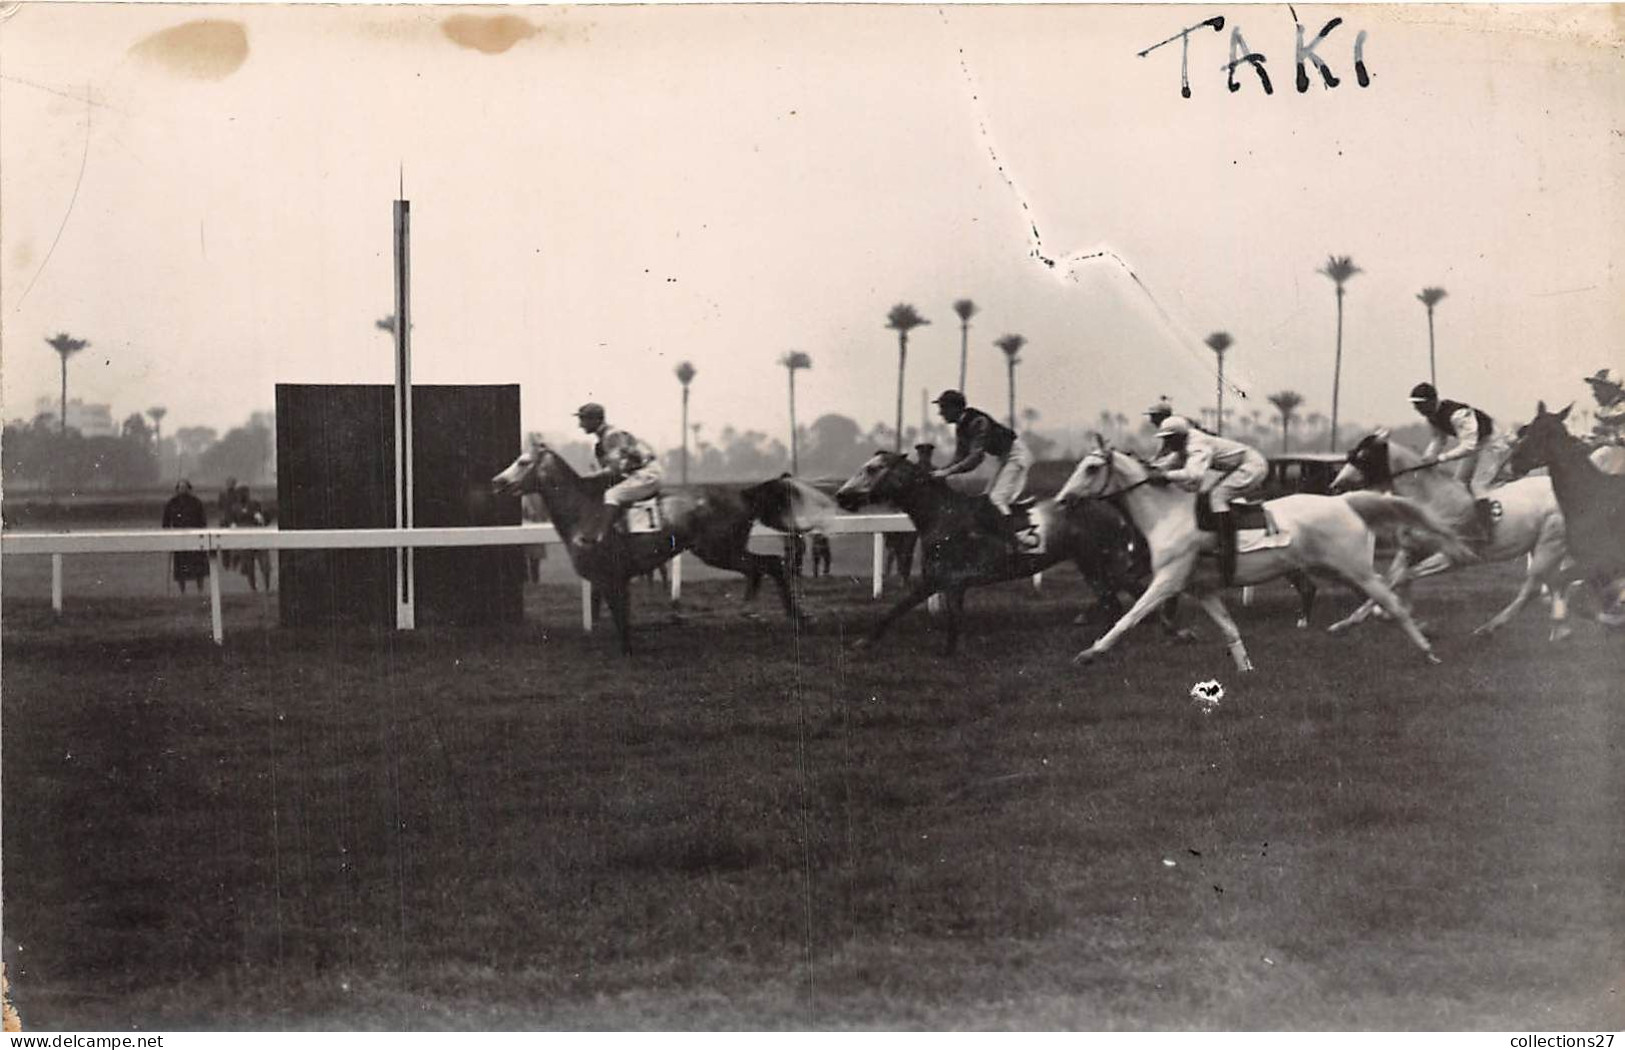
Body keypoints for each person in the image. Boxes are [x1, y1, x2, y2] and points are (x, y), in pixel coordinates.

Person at [1148, 415, 1267, 585]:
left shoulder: (1197, 445)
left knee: (1217, 497)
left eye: (1168, 439)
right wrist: (1148, 468)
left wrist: (1165, 476)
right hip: (1239, 466)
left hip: (1252, 466)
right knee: (1208, 495)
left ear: (1179, 437)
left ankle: (1227, 548)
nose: (1166, 443)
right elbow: (1167, 464)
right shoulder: (1185, 442)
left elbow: (1194, 474)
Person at [929, 389, 1033, 551]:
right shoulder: (961, 426)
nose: (940, 413)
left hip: (1016, 455)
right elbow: (960, 457)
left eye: (943, 408)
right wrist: (941, 471)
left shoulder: (978, 422)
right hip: (1005, 457)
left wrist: (947, 473)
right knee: (987, 499)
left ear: (955, 408)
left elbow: (975, 459)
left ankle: (1019, 540)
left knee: (997, 499)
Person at [1408, 381, 1504, 538]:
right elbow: (1439, 439)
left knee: (1478, 484)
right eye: (1415, 405)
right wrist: (1426, 458)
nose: (1416, 409)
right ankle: (1468, 524)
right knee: (1458, 484)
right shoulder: (1432, 416)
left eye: (1419, 404)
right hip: (1477, 445)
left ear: (1431, 401)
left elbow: (1469, 446)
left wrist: (1441, 458)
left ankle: (1486, 530)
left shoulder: (1458, 415)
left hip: (1494, 443)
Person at [574, 402, 663, 546]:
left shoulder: (612, 435)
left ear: (596, 420)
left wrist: (589, 477)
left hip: (647, 473)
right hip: (639, 473)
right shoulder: (603, 440)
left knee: (613, 495)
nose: (580, 425)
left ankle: (602, 535)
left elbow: (614, 469)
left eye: (583, 420)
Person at [161, 480, 209, 593]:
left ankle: (200, 589)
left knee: (198, 566)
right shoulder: (172, 503)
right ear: (177, 489)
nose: (182, 490)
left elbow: (203, 520)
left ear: (189, 489)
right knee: (180, 566)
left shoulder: (196, 502)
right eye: (180, 488)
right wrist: (168, 534)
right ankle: (182, 591)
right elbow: (166, 522)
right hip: (179, 539)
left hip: (195, 538)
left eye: (185, 487)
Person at [1584, 368, 1625, 444]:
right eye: (1594, 389)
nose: (1594, 394)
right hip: (1613, 451)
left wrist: (1607, 441)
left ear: (1611, 388)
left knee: (1600, 455)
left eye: (1598, 389)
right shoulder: (1604, 410)